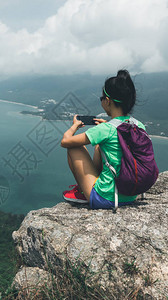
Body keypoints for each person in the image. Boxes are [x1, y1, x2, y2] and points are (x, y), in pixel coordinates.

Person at [60, 69, 147, 209]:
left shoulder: (105, 130)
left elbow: (65, 142)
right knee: (100, 145)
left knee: (74, 147)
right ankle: (92, 183)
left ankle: (83, 190)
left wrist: (74, 127)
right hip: (132, 193)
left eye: (102, 98)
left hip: (106, 198)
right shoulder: (139, 125)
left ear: (107, 101)